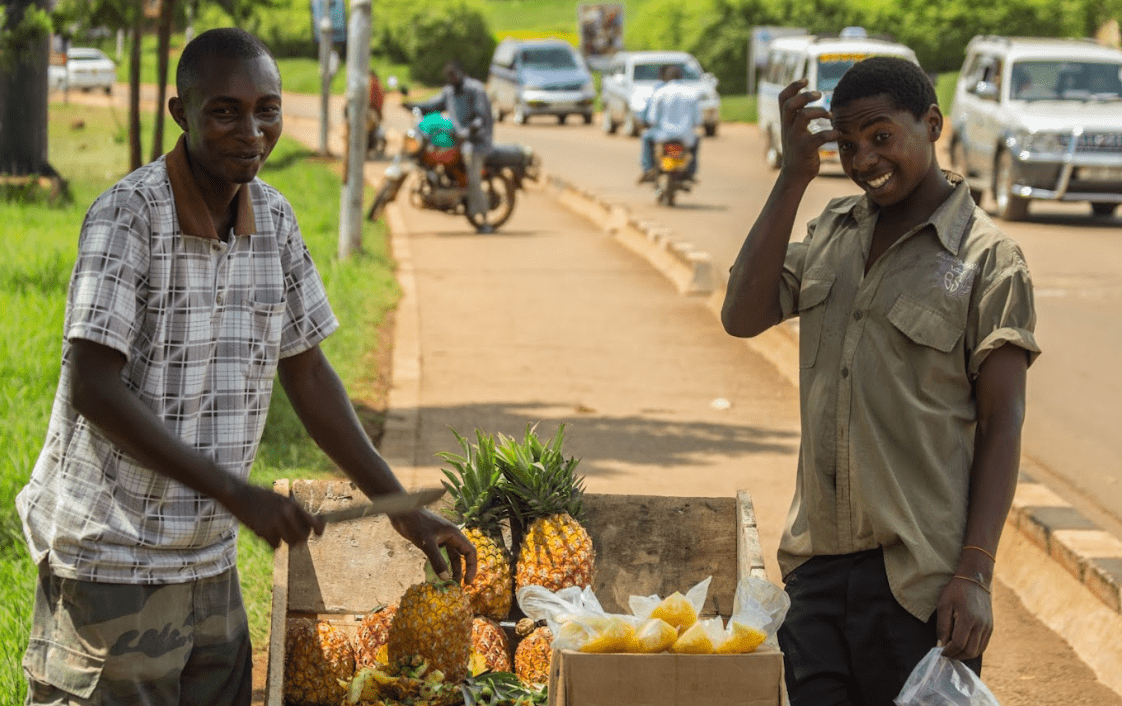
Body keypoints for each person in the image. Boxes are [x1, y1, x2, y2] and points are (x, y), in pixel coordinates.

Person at [16, 28, 477, 706]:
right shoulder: (128, 216)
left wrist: (398, 506)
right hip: (112, 561)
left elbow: (309, 374)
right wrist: (238, 494)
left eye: (268, 109)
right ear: (182, 112)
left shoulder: (278, 221)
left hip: (209, 563)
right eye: (224, 110)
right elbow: (93, 386)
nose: (252, 130)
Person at [721, 57, 1039, 705]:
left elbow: (1002, 422)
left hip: (920, 585)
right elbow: (741, 315)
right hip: (816, 570)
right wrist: (792, 178)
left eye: (880, 135)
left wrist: (975, 574)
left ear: (931, 123)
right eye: (846, 143)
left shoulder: (987, 260)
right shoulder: (834, 231)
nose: (863, 158)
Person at [404, 60, 495, 233]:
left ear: (461, 72)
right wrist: (412, 105)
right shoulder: (449, 92)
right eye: (449, 76)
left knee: (472, 178)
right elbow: (431, 106)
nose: (452, 78)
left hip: (476, 141)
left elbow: (482, 116)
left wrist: (470, 130)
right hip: (458, 140)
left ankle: (483, 219)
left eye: (454, 74)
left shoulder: (475, 89)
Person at [638, 64, 701, 184]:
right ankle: (691, 171)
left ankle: (648, 168)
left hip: (663, 135)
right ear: (681, 77)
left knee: (646, 138)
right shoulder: (691, 94)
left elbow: (652, 119)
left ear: (665, 78)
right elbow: (697, 121)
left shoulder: (660, 93)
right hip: (685, 137)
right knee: (696, 140)